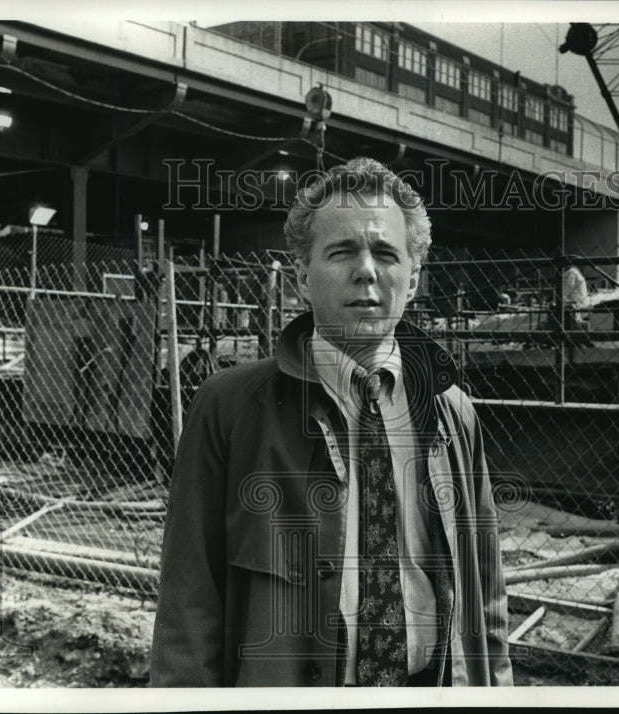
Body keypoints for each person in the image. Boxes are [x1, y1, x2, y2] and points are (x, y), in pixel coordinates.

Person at [150, 157, 512, 687]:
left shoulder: (451, 409)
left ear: (413, 279)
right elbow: (189, 602)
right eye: (342, 251)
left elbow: (487, 593)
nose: (366, 270)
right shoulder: (229, 408)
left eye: (386, 253)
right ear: (302, 275)